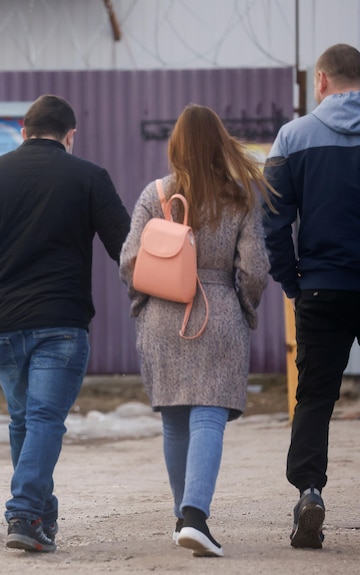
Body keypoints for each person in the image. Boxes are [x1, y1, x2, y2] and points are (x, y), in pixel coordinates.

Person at [0, 94, 131, 553]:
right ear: (70, 136)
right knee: (43, 419)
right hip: (63, 323)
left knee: (28, 419)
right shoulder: (89, 177)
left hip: (4, 326)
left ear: (22, 131)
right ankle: (24, 513)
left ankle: (41, 514)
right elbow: (127, 248)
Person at [263, 43, 360, 548]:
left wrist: (294, 283)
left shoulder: (291, 137)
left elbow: (272, 224)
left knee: (314, 396)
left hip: (321, 289)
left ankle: (309, 491)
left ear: (321, 81)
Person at [119, 104, 275, 558]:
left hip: (163, 318)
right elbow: (256, 269)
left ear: (176, 147)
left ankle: (183, 518)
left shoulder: (155, 194)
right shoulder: (240, 196)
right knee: (209, 414)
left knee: (174, 419)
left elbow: (130, 261)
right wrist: (242, 307)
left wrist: (144, 303)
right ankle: (195, 517)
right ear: (219, 144)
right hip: (218, 311)